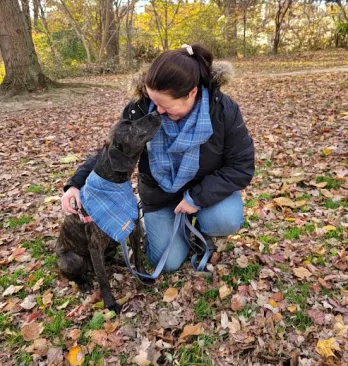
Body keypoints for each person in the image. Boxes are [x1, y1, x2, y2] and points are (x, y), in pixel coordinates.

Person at [61, 44, 255, 272]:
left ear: (191, 93)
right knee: (168, 263)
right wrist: (76, 184)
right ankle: (175, 230)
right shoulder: (139, 110)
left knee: (224, 219)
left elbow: (241, 166)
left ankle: (203, 232)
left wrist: (196, 198)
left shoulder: (222, 109)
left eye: (165, 105)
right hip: (160, 194)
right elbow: (112, 152)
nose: (158, 111)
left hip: (206, 188)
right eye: (155, 103)